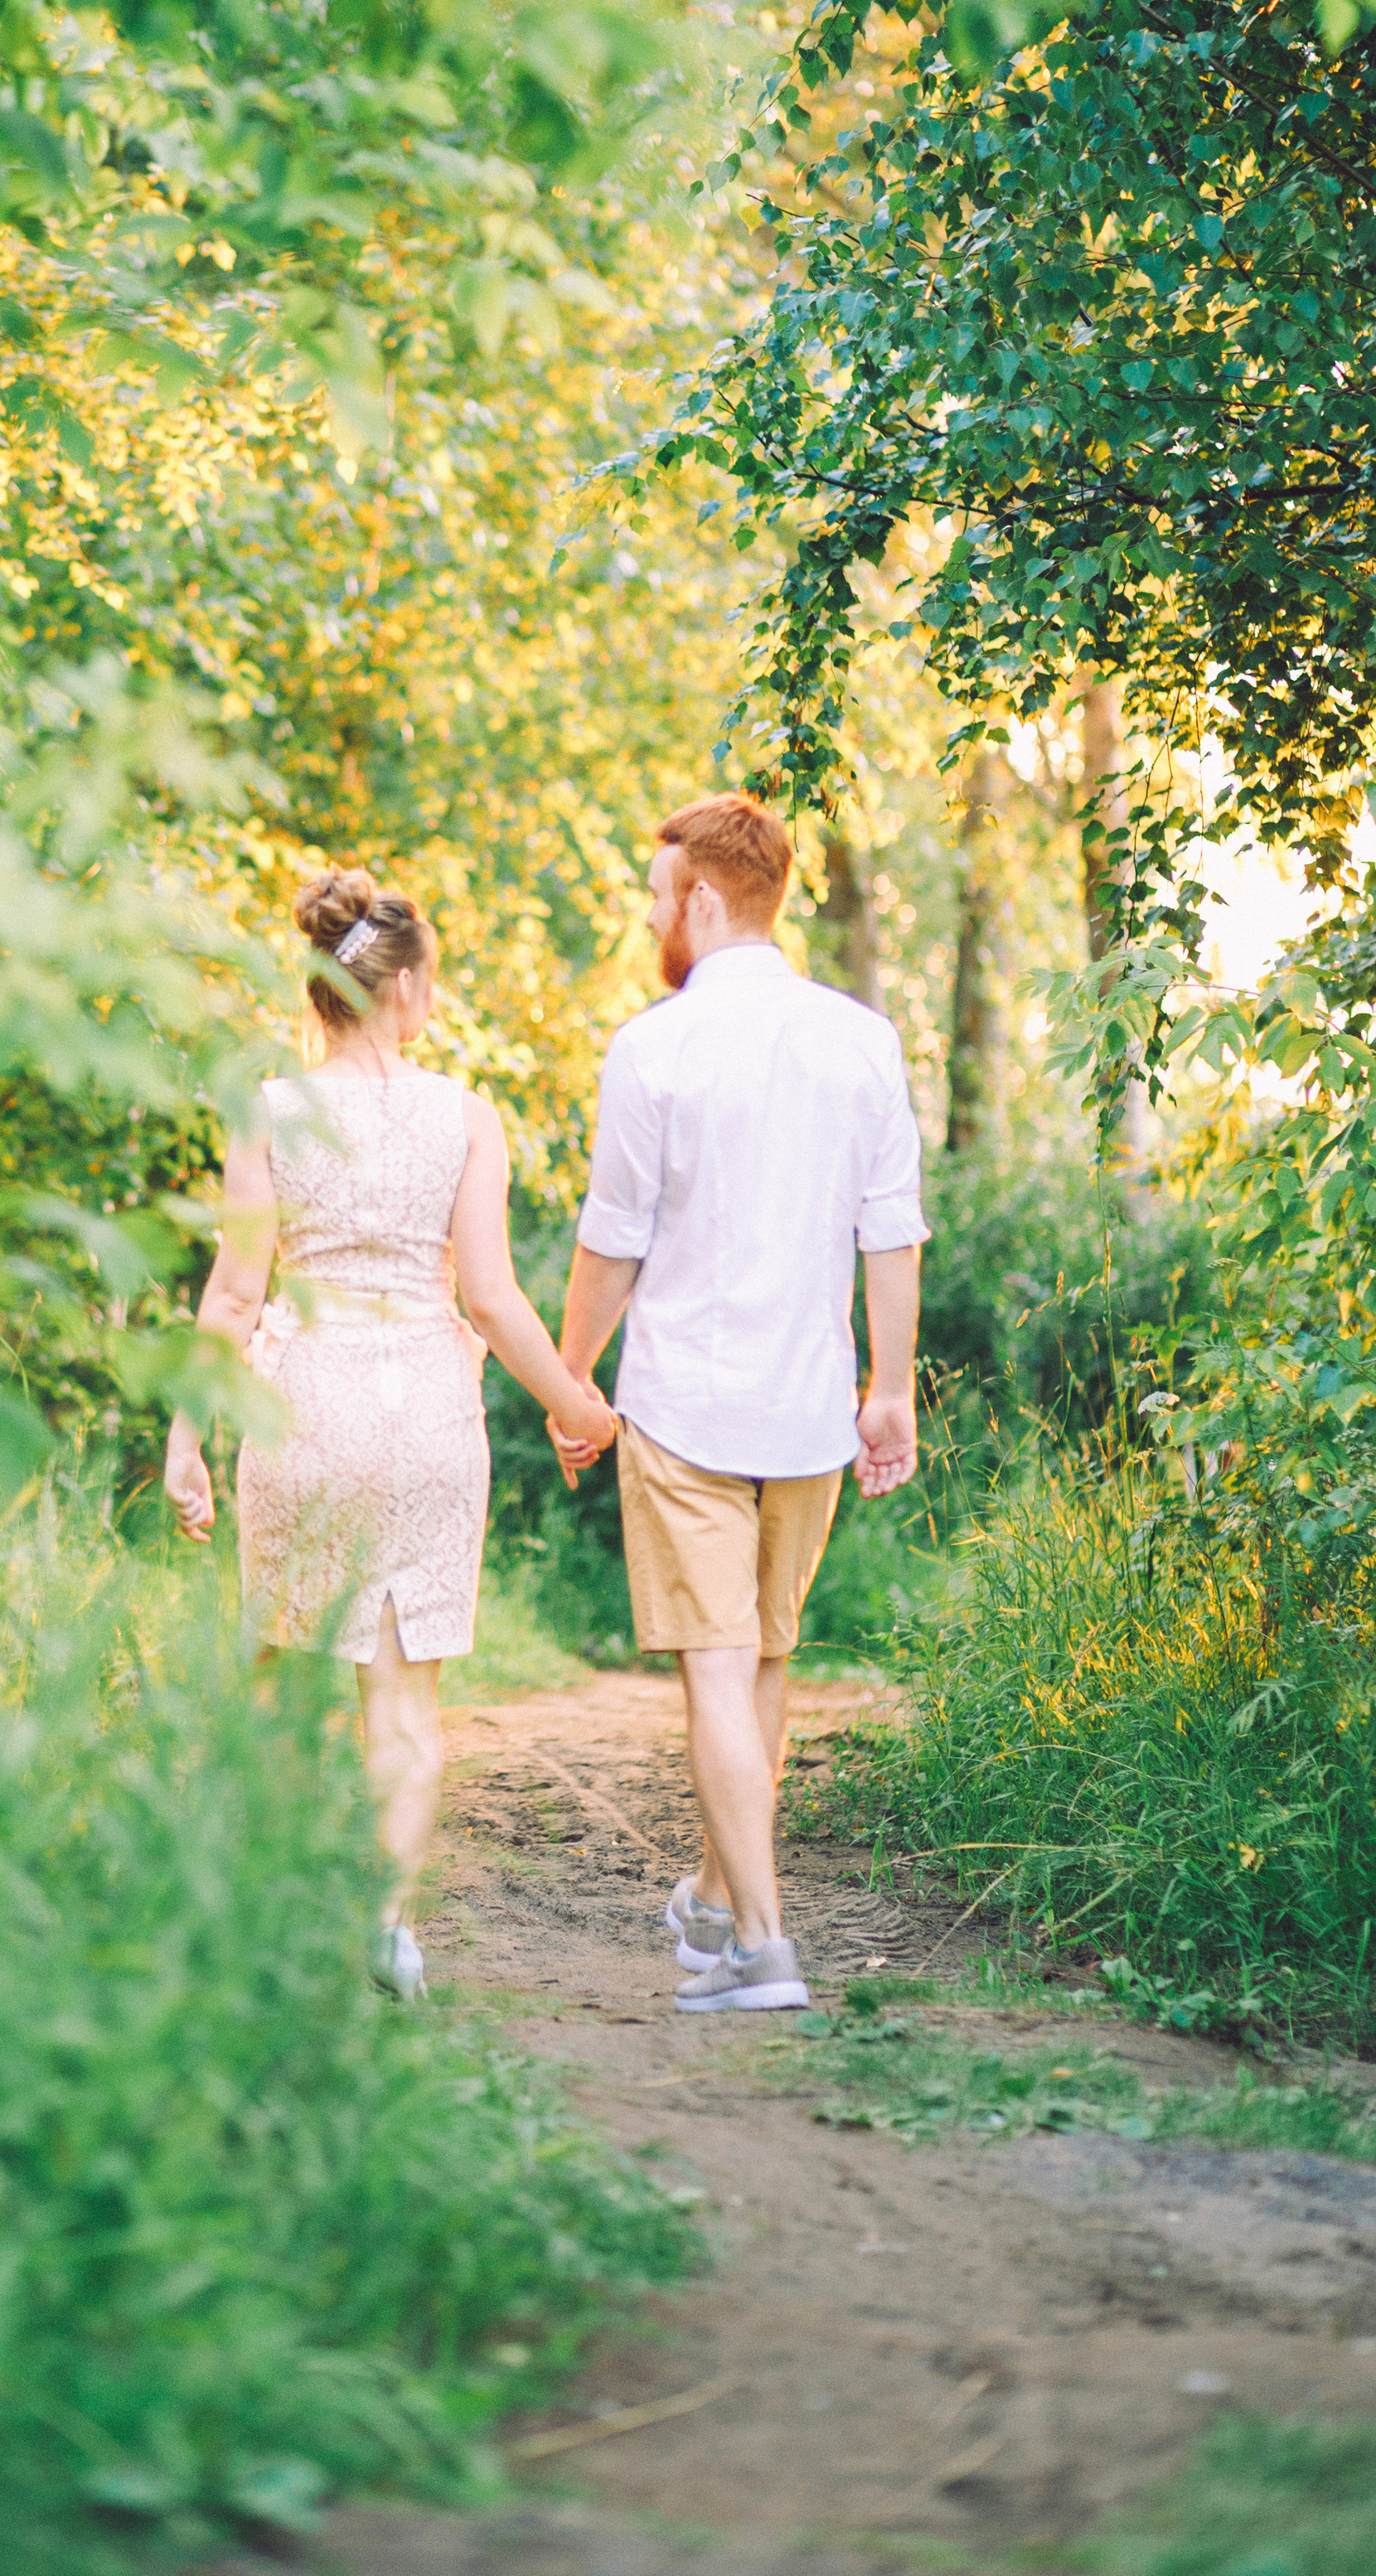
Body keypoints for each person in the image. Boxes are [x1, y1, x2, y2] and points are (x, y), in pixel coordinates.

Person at [163, 864, 616, 1999]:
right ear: (406, 988)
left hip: (303, 1408)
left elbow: (229, 1296)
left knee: (278, 1669)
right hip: (422, 1413)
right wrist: (575, 1404)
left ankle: (262, 1910)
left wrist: (186, 1439)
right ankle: (387, 1930)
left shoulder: (268, 1114)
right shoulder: (464, 1118)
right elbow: (494, 1300)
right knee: (403, 1700)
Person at [550, 792, 926, 2012]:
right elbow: (892, 1233)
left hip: (688, 1408)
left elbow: (613, 1243)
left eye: (659, 898)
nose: (653, 918)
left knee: (718, 1668)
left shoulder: (654, 1047)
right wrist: (891, 1389)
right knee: (762, 1660)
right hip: (811, 1408)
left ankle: (763, 1945)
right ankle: (717, 1903)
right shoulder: (862, 1039)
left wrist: (571, 1380)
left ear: (703, 900)